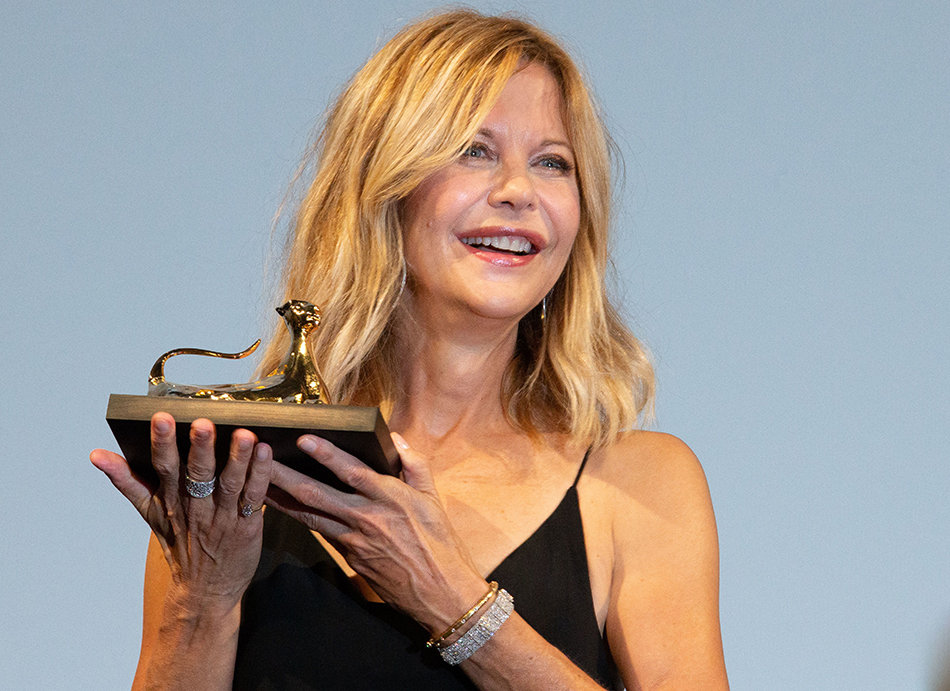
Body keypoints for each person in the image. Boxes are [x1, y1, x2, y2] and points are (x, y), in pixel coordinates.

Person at [91, 9, 729, 690]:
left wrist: (453, 600)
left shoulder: (638, 484)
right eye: (474, 150)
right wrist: (202, 599)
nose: (519, 191)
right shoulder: (238, 463)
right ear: (384, 187)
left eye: (552, 162)